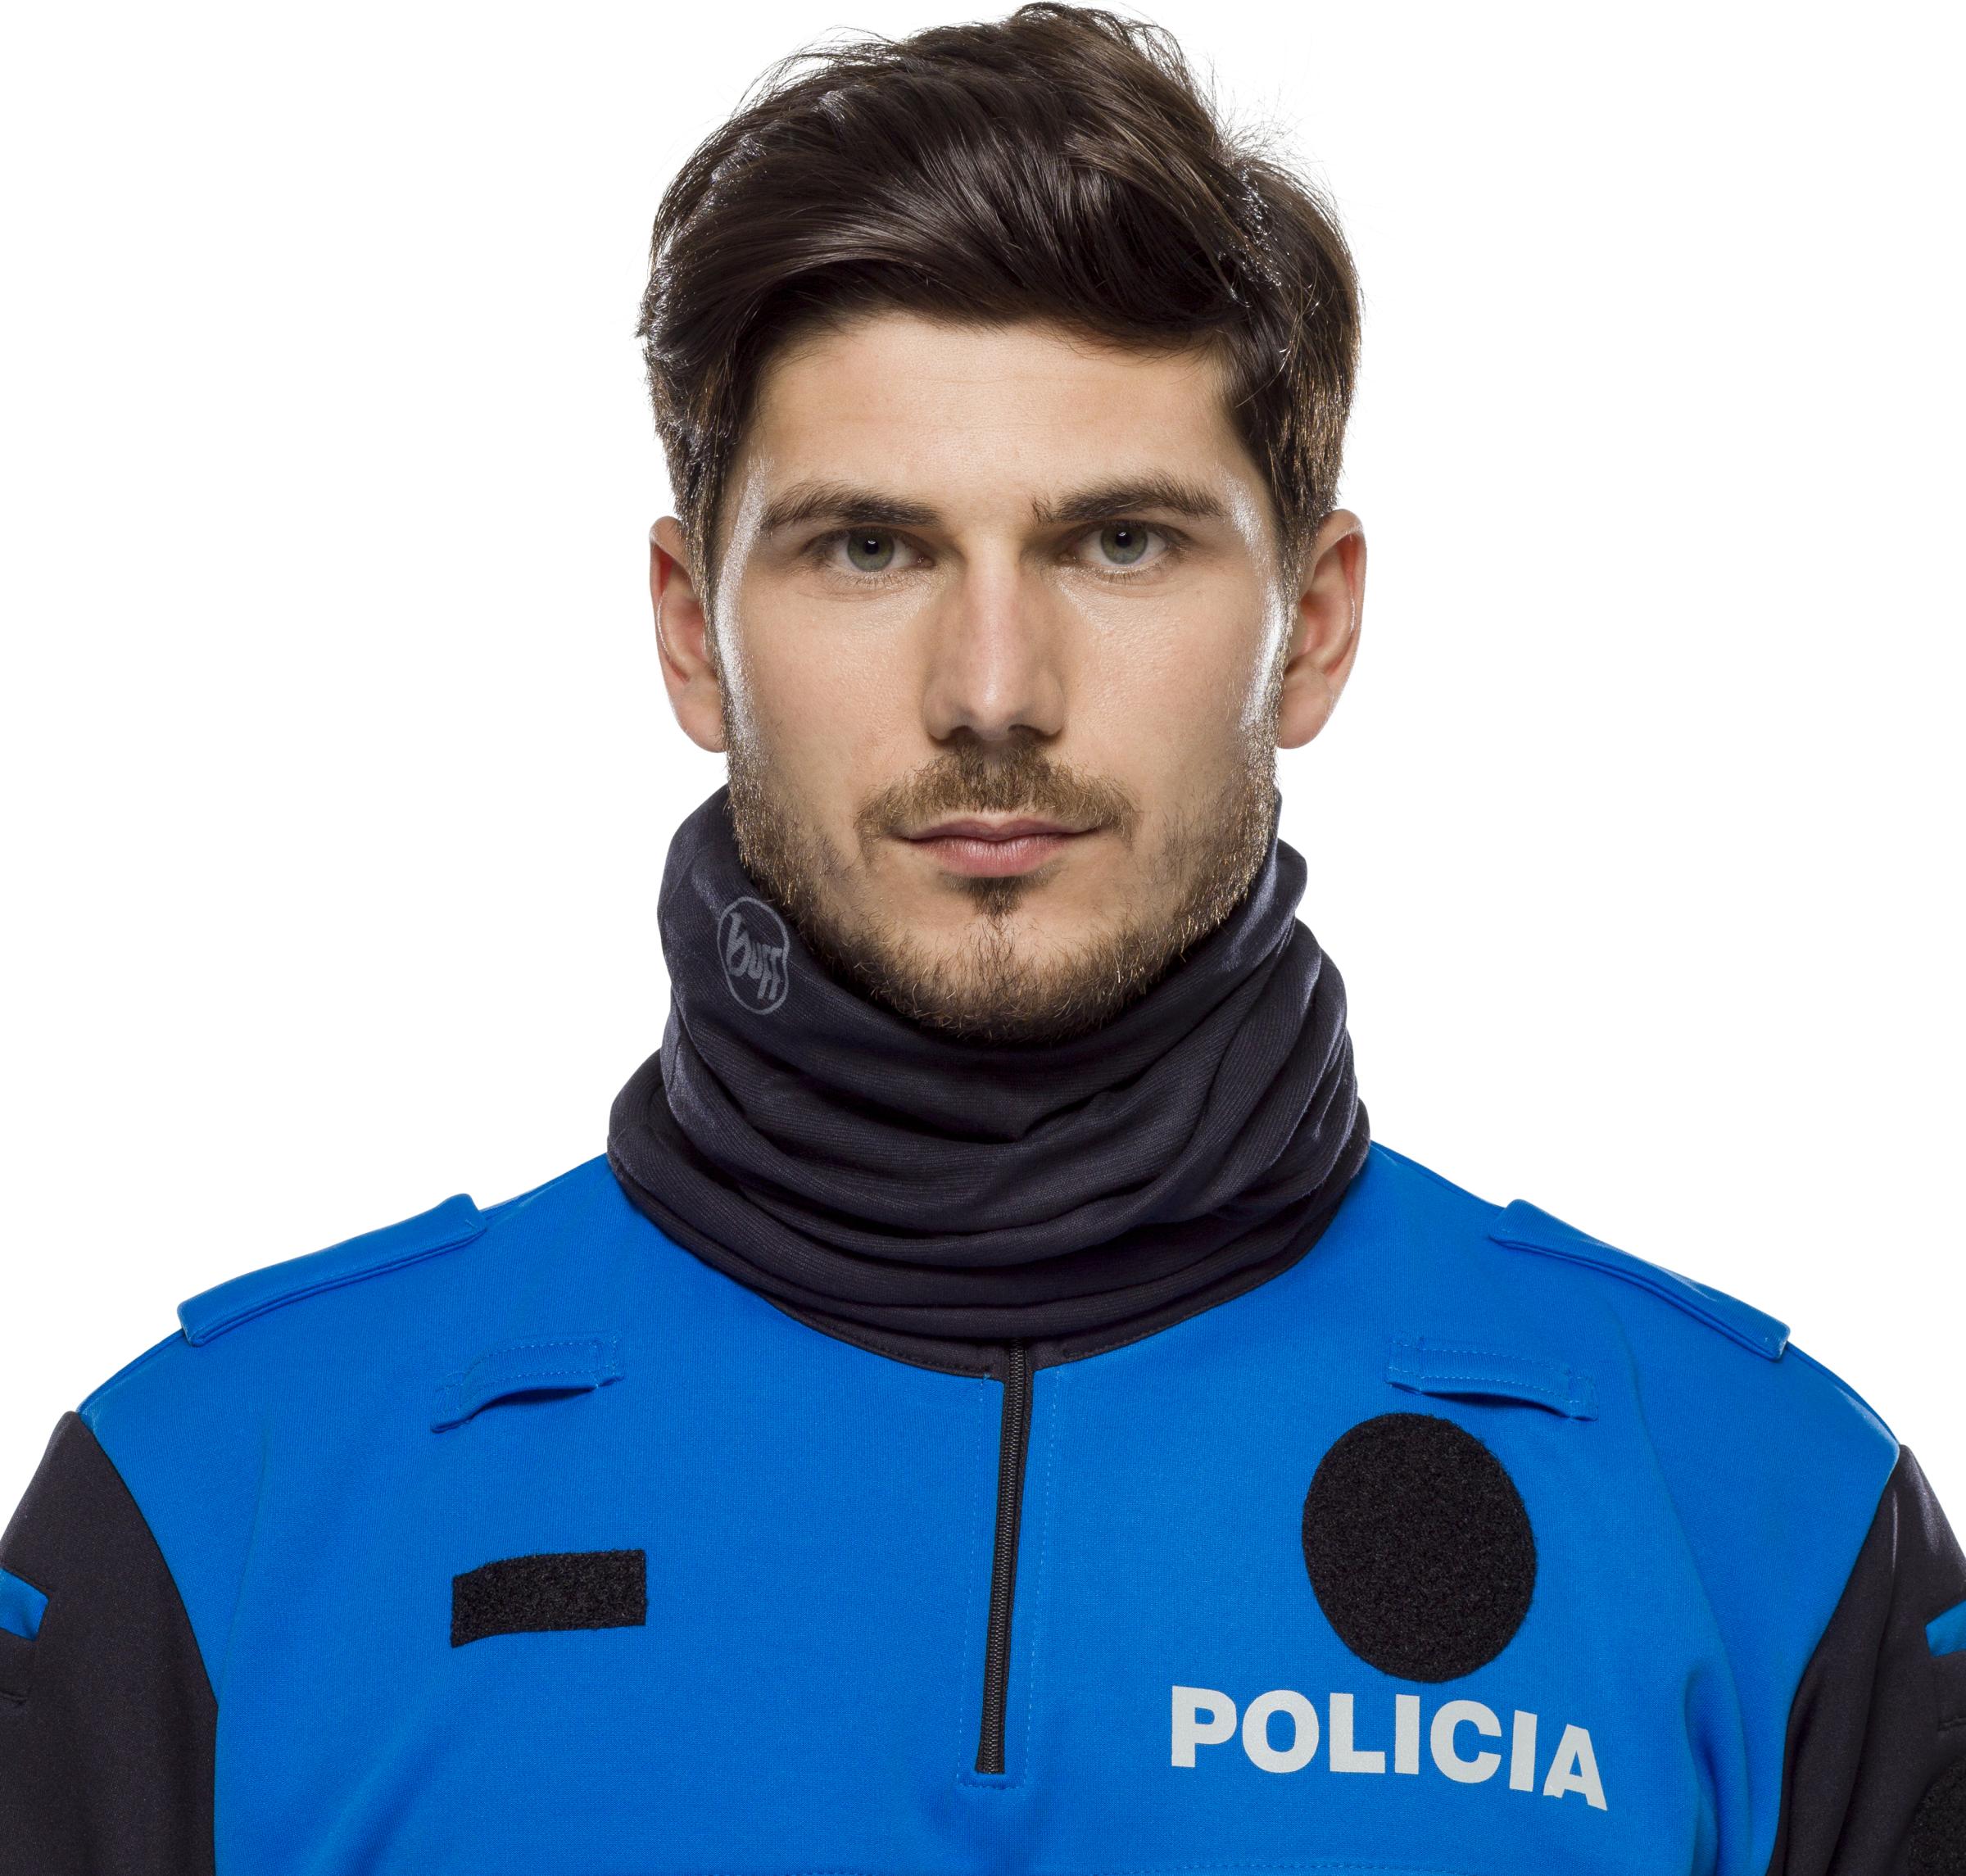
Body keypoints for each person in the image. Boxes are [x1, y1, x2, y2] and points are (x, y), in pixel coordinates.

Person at [2, 4, 1961, 1870]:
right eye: (870, 546)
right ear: (692, 630)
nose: (994, 690)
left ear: (1317, 623)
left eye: (1120, 541)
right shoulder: (216, 1510)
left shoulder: (1766, 1523)